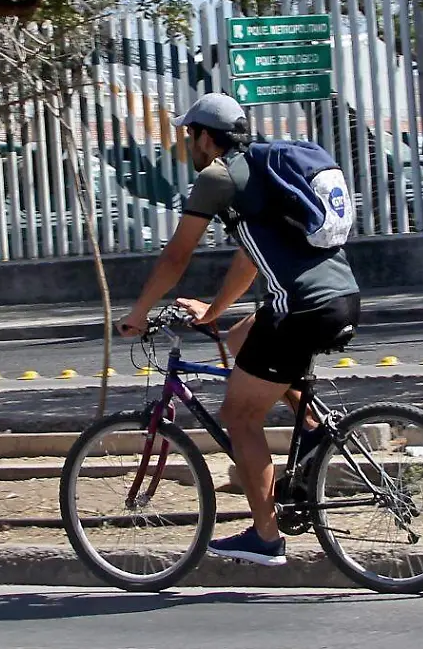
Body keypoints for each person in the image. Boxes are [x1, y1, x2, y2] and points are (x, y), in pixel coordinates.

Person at [117, 92, 361, 567]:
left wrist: (139, 313)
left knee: (240, 415)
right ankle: (311, 432)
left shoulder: (218, 177)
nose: (189, 146)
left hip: (302, 310)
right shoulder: (266, 176)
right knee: (238, 339)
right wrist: (213, 311)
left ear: (206, 137)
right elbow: (251, 257)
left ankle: (266, 538)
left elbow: (176, 255)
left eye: (190, 136)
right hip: (342, 298)